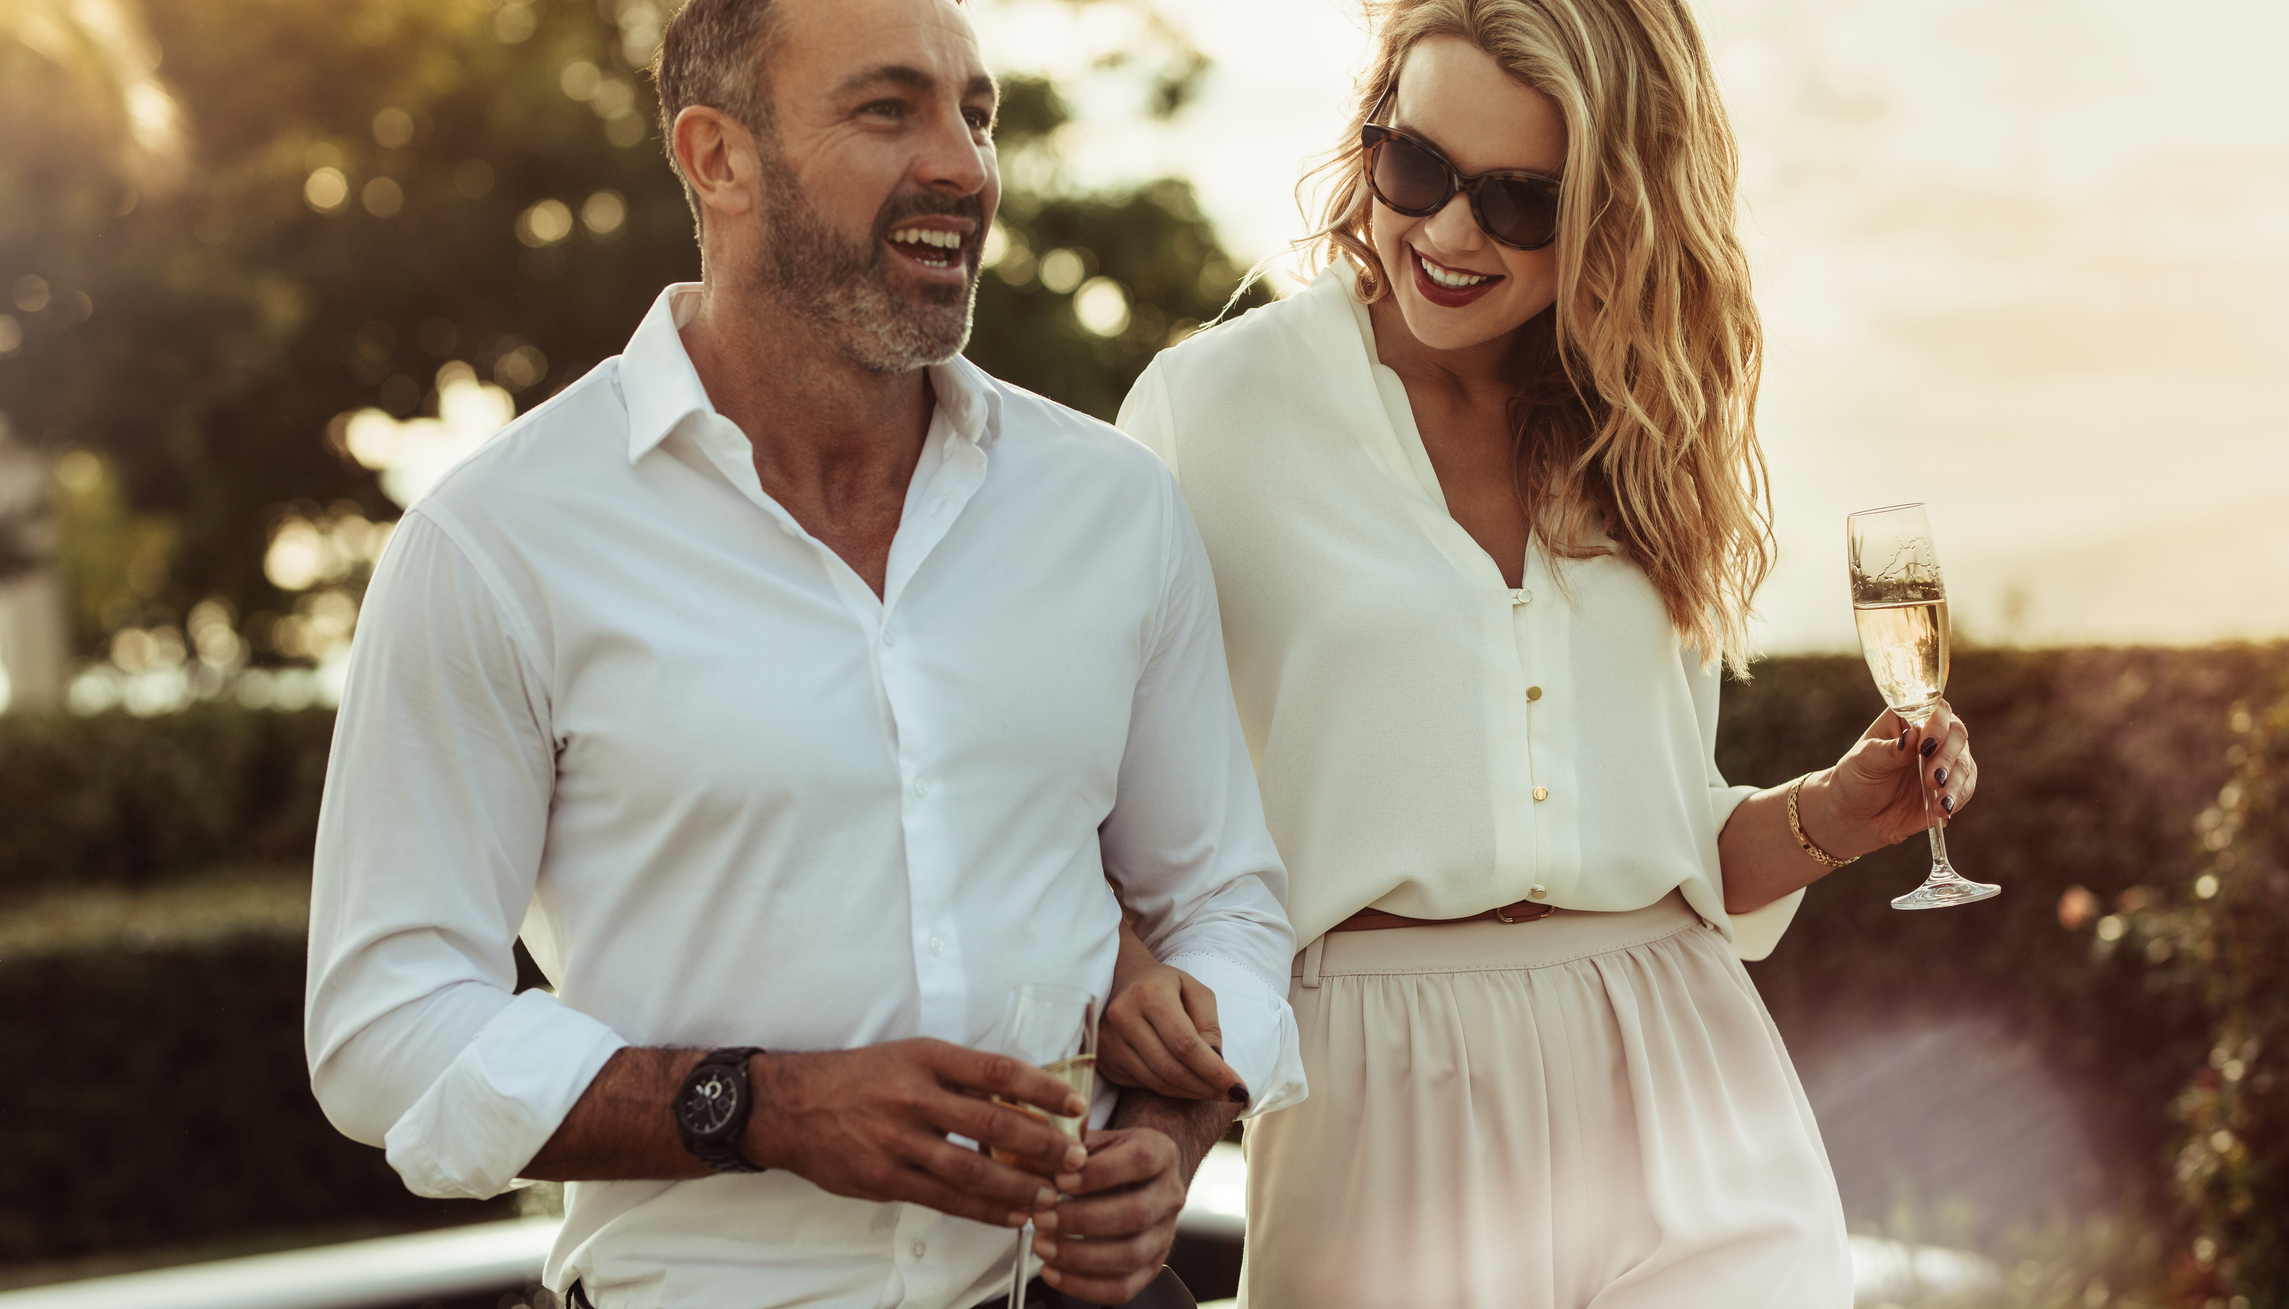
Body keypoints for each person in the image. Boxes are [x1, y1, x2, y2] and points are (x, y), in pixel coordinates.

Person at [301, 1, 1306, 1306]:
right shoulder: (497, 543)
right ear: (717, 156)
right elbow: (386, 1026)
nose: (963, 164)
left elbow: (1222, 907)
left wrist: (1167, 1135)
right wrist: (762, 1107)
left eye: (977, 115)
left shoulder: (1113, 508)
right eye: (888, 109)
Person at [1101, 0, 1986, 1305]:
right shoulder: (1210, 412)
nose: (1449, 234)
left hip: (1690, 1080)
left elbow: (1668, 840)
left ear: (1617, 213)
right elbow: (1094, 809)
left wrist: (1830, 815)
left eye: (1520, 201)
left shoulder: (1640, 431)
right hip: (1381, 1102)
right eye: (1415, 167)